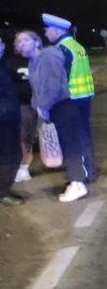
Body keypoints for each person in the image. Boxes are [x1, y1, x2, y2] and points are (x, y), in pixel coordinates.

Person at [15, 30, 87, 202]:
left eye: (25, 40)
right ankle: (75, 180)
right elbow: (36, 90)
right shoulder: (33, 62)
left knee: (70, 145)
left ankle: (78, 184)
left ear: (36, 41)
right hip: (51, 108)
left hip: (62, 106)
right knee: (64, 144)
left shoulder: (48, 56)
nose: (21, 44)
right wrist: (38, 106)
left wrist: (44, 106)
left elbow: (53, 85)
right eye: (18, 42)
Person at [42, 14, 96, 183]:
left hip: (70, 100)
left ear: (56, 30)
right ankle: (89, 171)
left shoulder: (60, 49)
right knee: (84, 135)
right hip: (83, 97)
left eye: (47, 30)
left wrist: (47, 103)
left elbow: (58, 79)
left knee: (74, 139)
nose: (45, 34)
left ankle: (81, 176)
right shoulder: (76, 46)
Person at [5, 42, 36, 183]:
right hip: (22, 105)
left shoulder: (37, 59)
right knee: (23, 138)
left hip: (40, 104)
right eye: (18, 42)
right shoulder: (11, 63)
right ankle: (23, 167)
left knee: (36, 137)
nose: (21, 45)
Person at [0, 37, 25, 206]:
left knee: (13, 155)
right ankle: (2, 193)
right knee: (10, 156)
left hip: (10, 115)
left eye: (1, 42)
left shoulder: (4, 64)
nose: (1, 46)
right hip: (4, 117)